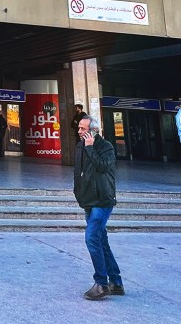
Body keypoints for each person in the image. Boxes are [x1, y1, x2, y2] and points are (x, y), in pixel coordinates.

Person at [73, 114, 123, 300]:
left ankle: (101, 283)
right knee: (101, 241)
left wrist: (91, 147)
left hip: (102, 200)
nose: (79, 132)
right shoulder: (79, 146)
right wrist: (77, 192)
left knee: (92, 238)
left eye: (83, 129)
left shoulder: (106, 147)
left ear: (93, 131)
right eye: (79, 128)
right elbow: (78, 172)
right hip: (88, 199)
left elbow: (103, 167)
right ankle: (116, 282)